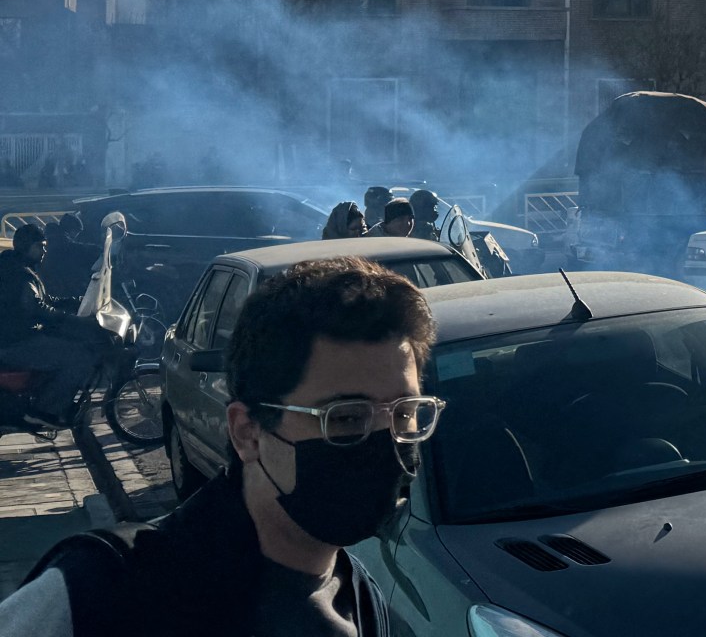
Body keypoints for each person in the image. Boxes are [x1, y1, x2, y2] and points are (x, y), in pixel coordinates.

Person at [0, 255, 439, 636]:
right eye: (345, 418)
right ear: (247, 432)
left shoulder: (362, 599)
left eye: (405, 413)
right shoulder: (101, 591)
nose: (386, 443)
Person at [0, 222, 106, 427]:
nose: (44, 251)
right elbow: (38, 310)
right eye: (40, 246)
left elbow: (44, 300)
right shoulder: (18, 275)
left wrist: (78, 301)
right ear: (27, 246)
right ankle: (44, 410)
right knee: (79, 357)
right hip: (16, 342)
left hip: (17, 337)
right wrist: (76, 321)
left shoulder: (17, 266)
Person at [41, 214, 96, 303]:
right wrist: (99, 250)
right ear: (72, 230)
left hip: (52, 284)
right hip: (60, 287)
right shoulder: (61, 243)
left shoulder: (52, 238)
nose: (77, 236)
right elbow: (77, 249)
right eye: (77, 232)